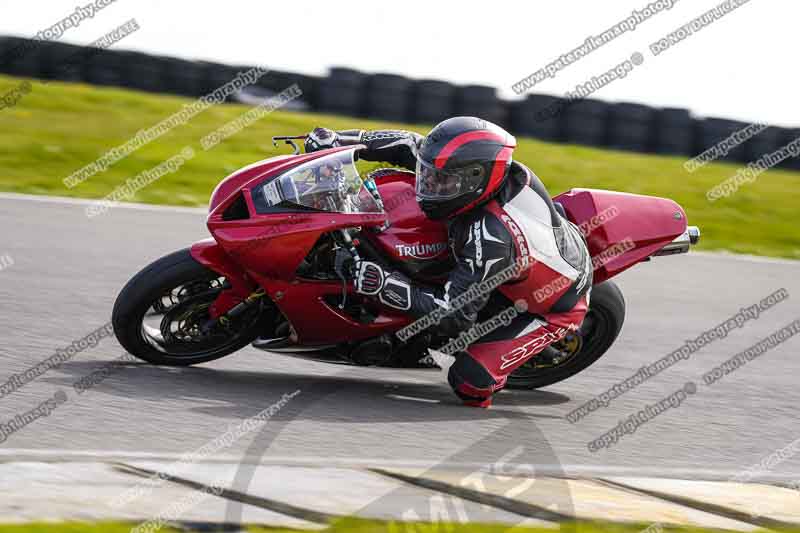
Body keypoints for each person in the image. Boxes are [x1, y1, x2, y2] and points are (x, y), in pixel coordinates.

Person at [304, 117, 592, 407]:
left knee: (469, 381)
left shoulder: (491, 237)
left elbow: (452, 317)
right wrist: (336, 141)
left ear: (476, 179)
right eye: (429, 175)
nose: (429, 185)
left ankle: (491, 372)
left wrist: (384, 285)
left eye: (442, 182)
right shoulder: (468, 173)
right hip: (520, 259)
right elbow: (409, 143)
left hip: (550, 305)